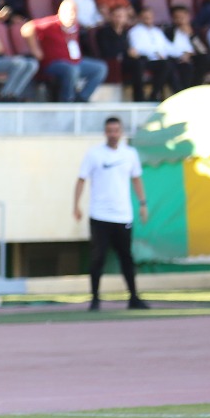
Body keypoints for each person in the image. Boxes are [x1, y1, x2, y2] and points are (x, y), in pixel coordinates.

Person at [74, 116, 149, 310]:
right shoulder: (94, 154)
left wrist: (143, 203)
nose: (113, 134)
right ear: (105, 132)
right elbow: (81, 179)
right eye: (109, 131)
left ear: (121, 132)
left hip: (122, 215)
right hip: (99, 215)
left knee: (126, 257)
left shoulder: (130, 154)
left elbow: (137, 179)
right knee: (97, 257)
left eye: (116, 131)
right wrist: (76, 205)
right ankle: (95, 299)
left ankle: (133, 298)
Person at [23, 0, 107, 102]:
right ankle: (67, 99)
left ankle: (81, 98)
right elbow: (27, 28)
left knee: (100, 68)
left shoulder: (75, 26)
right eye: (69, 12)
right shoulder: (50, 24)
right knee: (71, 69)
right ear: (60, 12)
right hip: (53, 64)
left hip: (76, 62)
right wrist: (35, 49)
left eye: (74, 12)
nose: (72, 15)